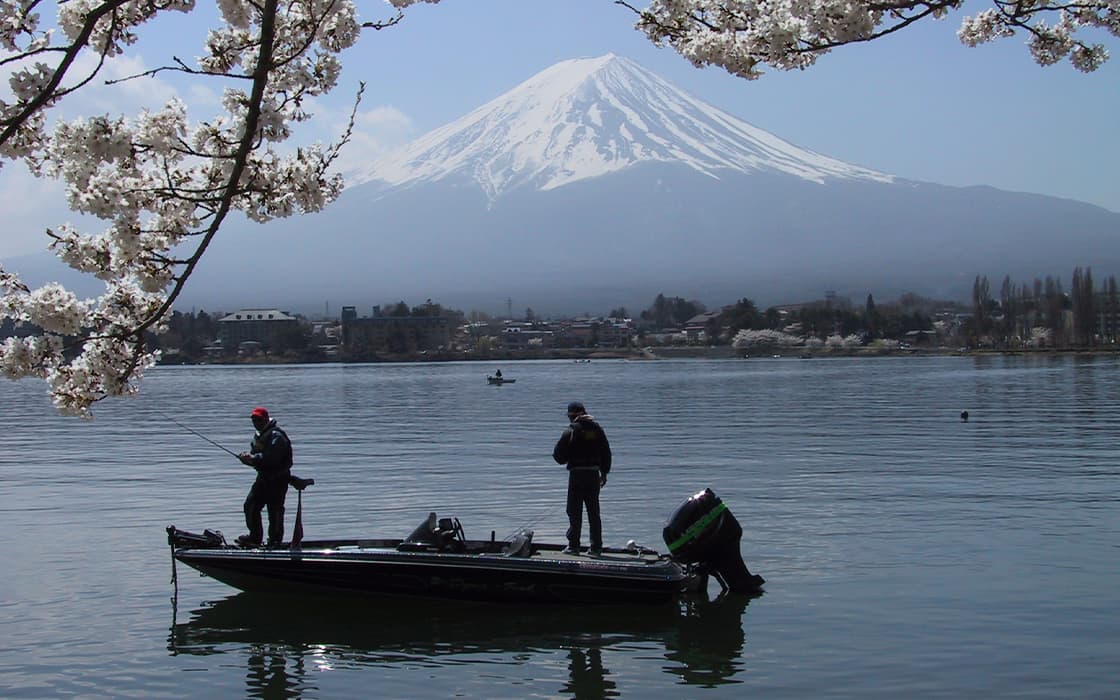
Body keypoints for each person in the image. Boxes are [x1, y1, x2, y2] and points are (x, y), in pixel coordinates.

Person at [552, 401, 611, 556]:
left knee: (573, 511)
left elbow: (558, 456)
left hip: (577, 476)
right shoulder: (597, 430)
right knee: (594, 512)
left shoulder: (570, 431)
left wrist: (568, 458)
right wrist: (604, 473)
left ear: (571, 416)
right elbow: (606, 452)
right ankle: (596, 548)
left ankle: (573, 546)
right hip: (593, 476)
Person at [237, 406, 293, 547]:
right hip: (263, 479)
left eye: (259, 420)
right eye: (254, 420)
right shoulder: (259, 436)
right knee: (250, 505)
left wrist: (252, 458)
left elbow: (272, 458)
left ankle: (275, 541)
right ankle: (254, 538)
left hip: (277, 480)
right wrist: (247, 460)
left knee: (274, 511)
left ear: (266, 419)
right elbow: (258, 460)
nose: (256, 422)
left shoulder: (276, 436)